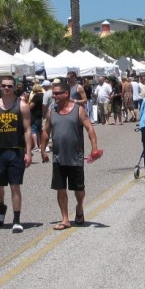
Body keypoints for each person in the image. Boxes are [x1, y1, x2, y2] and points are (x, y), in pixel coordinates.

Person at [40, 79, 100, 230]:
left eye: (57, 94)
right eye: (53, 94)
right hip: (58, 157)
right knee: (61, 189)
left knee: (78, 190)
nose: (54, 96)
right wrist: (43, 150)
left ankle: (79, 207)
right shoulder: (52, 111)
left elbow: (90, 129)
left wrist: (94, 148)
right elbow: (46, 131)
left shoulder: (78, 110)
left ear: (66, 94)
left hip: (76, 157)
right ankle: (65, 219)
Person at [0, 75, 33, 233]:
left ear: (14, 87)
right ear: (0, 87)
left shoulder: (22, 105)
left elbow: (27, 130)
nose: (6, 88)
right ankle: (1, 207)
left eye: (10, 86)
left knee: (15, 186)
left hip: (16, 150)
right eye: (4, 86)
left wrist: (29, 152)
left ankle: (17, 220)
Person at [28, 83, 45, 152]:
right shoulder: (44, 95)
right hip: (42, 115)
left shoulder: (36, 96)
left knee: (33, 130)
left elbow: (31, 106)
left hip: (35, 115)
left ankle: (35, 145)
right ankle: (41, 144)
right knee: (40, 130)